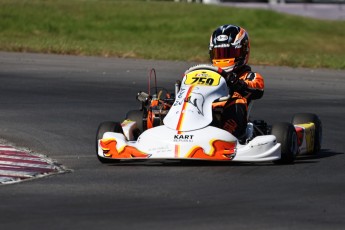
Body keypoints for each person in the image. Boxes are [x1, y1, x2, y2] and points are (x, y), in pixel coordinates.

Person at [208, 24, 264, 141]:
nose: (223, 59)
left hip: (232, 118)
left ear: (243, 51)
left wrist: (238, 83)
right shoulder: (208, 74)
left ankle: (227, 137)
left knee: (237, 100)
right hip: (205, 109)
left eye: (228, 53)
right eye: (219, 53)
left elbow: (258, 88)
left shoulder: (250, 76)